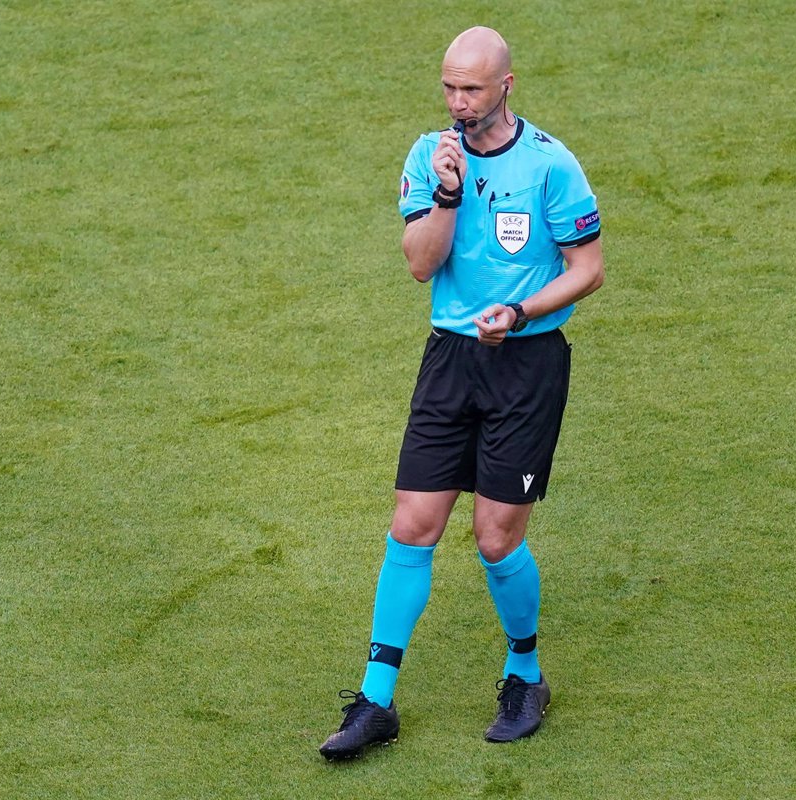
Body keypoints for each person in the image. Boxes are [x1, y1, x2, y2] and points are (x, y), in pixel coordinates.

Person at [319, 26, 605, 761]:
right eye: (448, 87)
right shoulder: (428, 156)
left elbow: (588, 268)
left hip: (528, 363)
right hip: (450, 359)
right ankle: (376, 701)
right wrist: (446, 192)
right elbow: (421, 265)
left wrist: (522, 311)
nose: (457, 103)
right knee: (413, 523)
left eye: (471, 89)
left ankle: (525, 675)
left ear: (506, 85)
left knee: (495, 537)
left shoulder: (550, 165)